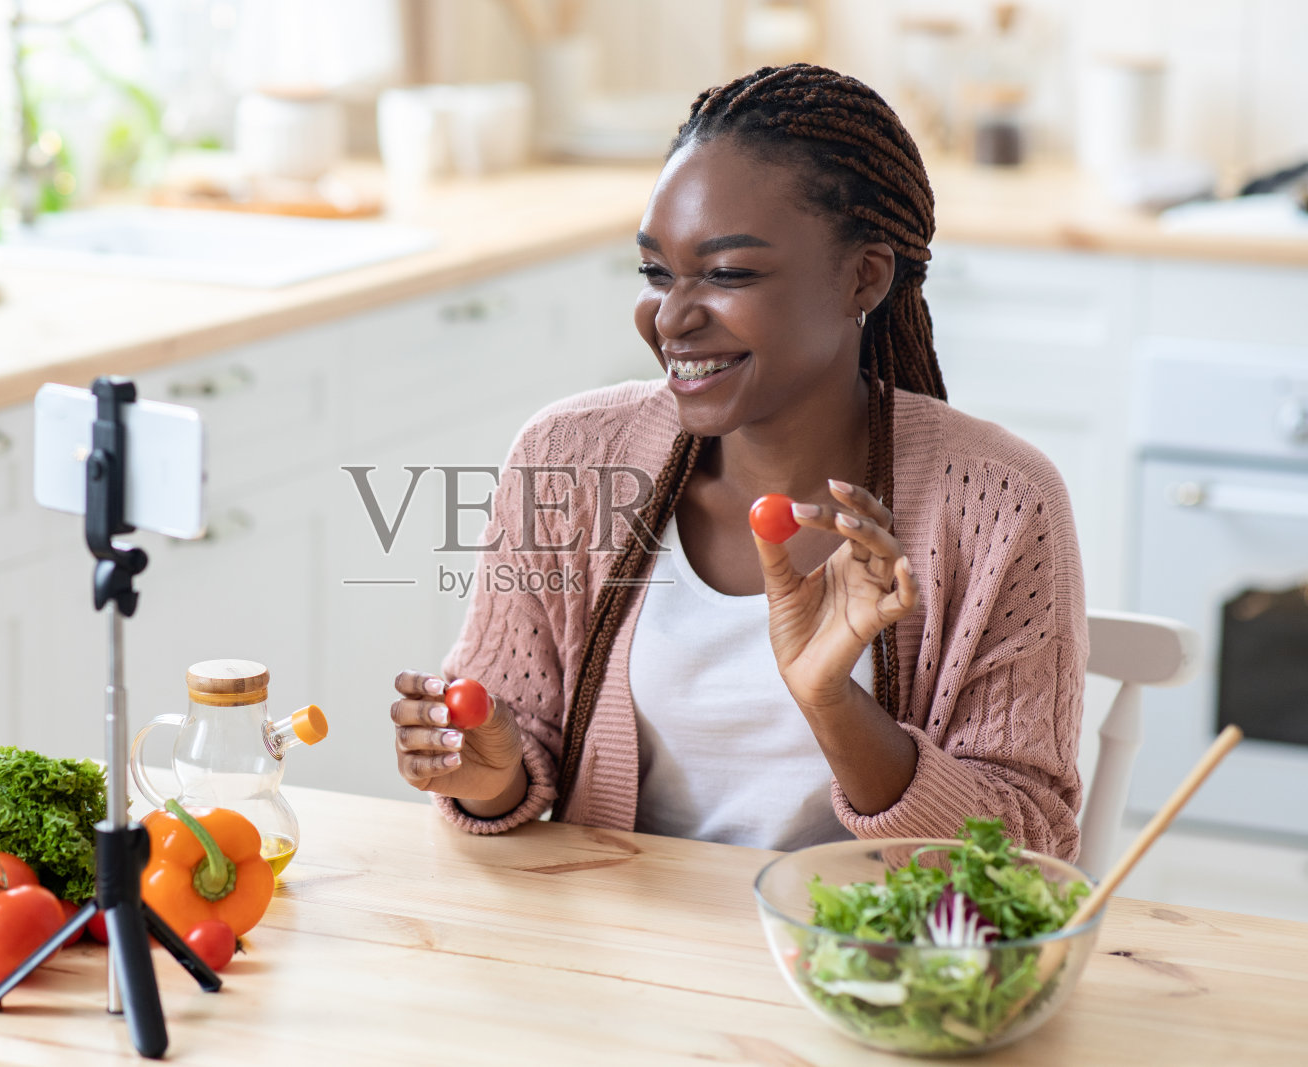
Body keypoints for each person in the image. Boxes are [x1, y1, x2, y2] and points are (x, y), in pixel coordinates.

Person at [388, 64, 1087, 859]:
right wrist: (488, 772)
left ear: (865, 276)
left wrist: (832, 701)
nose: (672, 318)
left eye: (727, 274)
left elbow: (1026, 841)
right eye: (656, 272)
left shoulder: (1001, 504)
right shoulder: (567, 460)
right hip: (615, 952)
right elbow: (519, 750)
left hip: (862, 969)